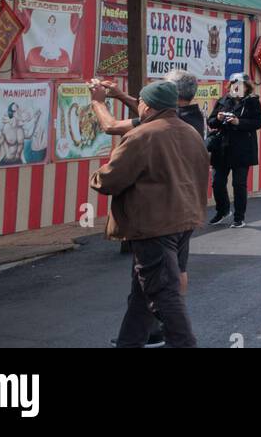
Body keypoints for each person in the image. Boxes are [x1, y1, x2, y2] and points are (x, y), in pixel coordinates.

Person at [90, 81, 209, 349]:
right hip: (184, 218)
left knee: (162, 292)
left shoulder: (143, 136)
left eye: (140, 101)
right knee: (144, 292)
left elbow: (108, 182)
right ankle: (128, 343)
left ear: (147, 105)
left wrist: (96, 176)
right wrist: (120, 96)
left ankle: (184, 344)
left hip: (154, 224)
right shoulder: (190, 132)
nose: (139, 104)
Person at [207, 76, 261, 228]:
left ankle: (239, 217)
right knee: (217, 183)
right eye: (233, 85)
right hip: (222, 148)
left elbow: (258, 122)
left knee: (239, 184)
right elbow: (210, 121)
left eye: (240, 85)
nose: (236, 88)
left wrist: (239, 122)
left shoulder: (252, 102)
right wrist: (218, 118)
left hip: (242, 149)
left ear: (246, 87)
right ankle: (223, 210)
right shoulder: (223, 100)